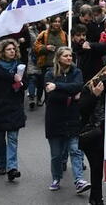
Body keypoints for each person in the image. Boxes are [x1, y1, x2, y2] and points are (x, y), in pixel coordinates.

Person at [44, 46, 90, 194]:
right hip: (55, 119)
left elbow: (78, 86)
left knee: (75, 151)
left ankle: (79, 181)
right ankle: (56, 178)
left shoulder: (77, 72)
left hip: (72, 118)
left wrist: (57, 86)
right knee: (57, 154)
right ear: (58, 58)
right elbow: (51, 97)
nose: (69, 58)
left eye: (70, 56)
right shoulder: (49, 74)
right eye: (65, 56)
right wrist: (71, 95)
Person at [0, 38, 26, 181]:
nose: (12, 51)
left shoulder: (19, 67)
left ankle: (12, 168)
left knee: (13, 138)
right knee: (0, 138)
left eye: (14, 49)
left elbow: (23, 86)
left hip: (14, 106)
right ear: (2, 52)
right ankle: (1, 164)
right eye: (9, 49)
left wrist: (19, 82)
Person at [80, 64, 106, 205]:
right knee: (96, 166)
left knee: (98, 168)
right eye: (104, 76)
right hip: (90, 134)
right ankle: (97, 198)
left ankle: (95, 198)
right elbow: (82, 110)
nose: (104, 80)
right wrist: (94, 95)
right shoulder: (88, 88)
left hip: (105, 135)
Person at [33, 15, 67, 109]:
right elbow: (35, 46)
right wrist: (45, 48)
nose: (57, 23)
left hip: (60, 65)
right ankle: (47, 105)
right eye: (55, 21)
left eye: (58, 21)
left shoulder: (64, 34)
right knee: (47, 87)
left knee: (58, 87)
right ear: (51, 23)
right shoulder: (44, 34)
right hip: (46, 65)